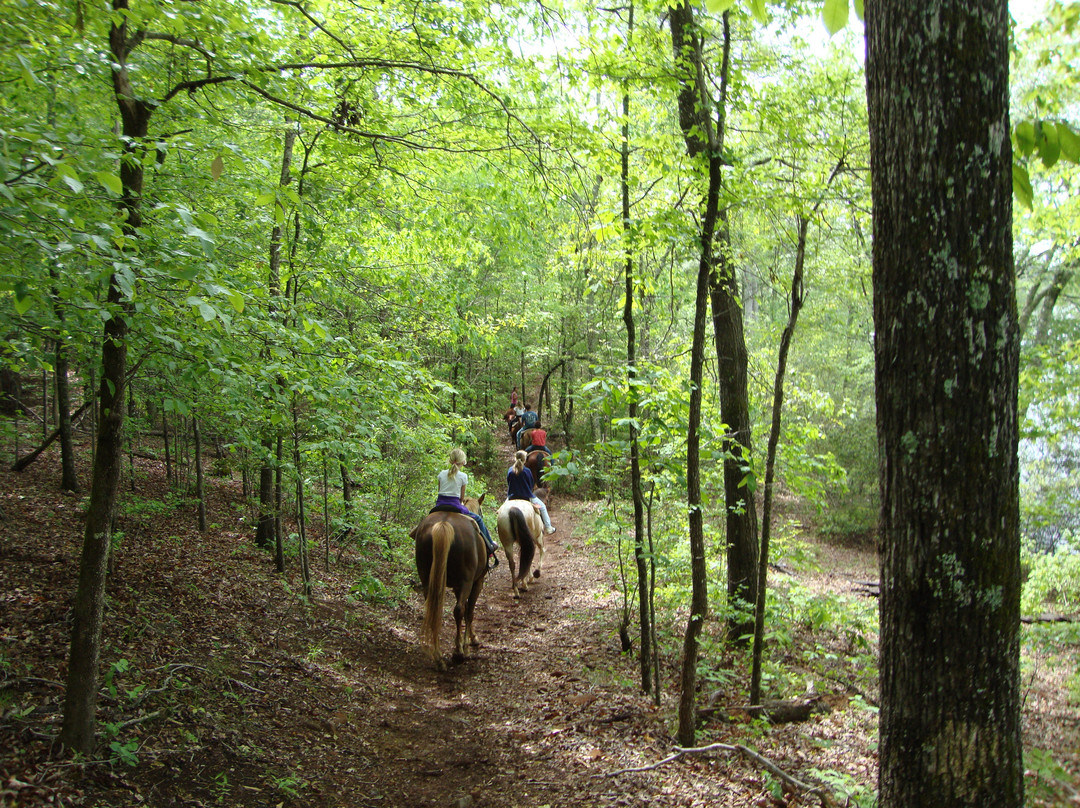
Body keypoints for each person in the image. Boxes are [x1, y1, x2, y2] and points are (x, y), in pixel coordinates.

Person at [434, 448, 498, 567]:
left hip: (440, 506)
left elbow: (439, 493)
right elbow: (461, 498)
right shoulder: (463, 476)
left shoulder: (441, 474)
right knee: (478, 519)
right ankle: (490, 544)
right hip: (455, 505)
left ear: (450, 460)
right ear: (462, 462)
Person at [507, 449, 555, 534]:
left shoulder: (510, 470)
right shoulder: (527, 471)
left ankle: (497, 527)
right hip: (526, 496)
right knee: (543, 507)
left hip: (512, 496)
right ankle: (548, 527)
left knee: (501, 510)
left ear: (515, 458)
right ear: (525, 460)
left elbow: (508, 483)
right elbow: (531, 484)